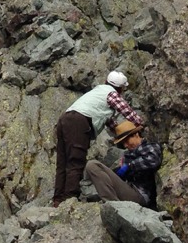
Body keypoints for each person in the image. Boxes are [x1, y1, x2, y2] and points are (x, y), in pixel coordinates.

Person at [51, 71, 144, 205]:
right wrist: (140, 123)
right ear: (120, 88)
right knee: (76, 161)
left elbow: (108, 121)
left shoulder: (98, 91)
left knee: (62, 161)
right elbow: (126, 110)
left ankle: (58, 199)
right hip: (79, 122)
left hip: (65, 119)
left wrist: (120, 133)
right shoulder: (112, 94)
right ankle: (69, 198)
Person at [84, 120, 163, 208]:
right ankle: (113, 205)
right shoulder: (128, 154)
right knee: (93, 167)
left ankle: (113, 207)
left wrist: (129, 166)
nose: (125, 145)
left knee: (93, 164)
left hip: (141, 195)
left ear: (136, 134)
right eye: (123, 143)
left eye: (127, 140)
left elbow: (152, 160)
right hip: (130, 189)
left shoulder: (150, 146)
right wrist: (119, 173)